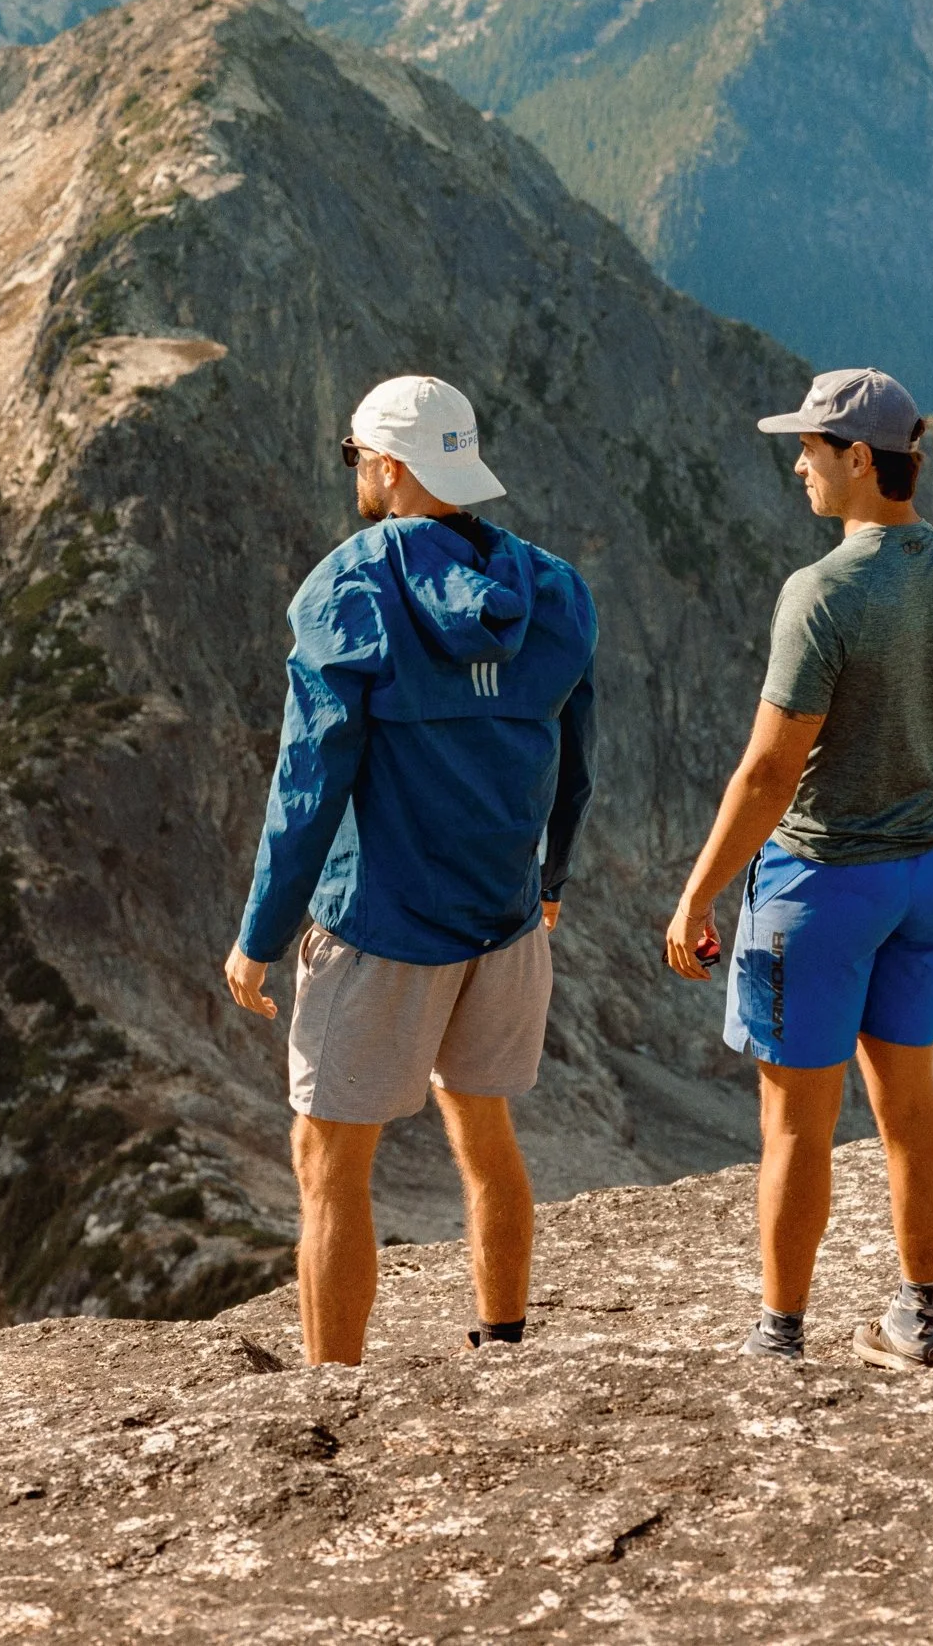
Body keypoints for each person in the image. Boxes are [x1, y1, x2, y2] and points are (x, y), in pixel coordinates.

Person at [224, 373, 598, 1367]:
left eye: (357, 458)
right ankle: (504, 1343)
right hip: (508, 922)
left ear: (389, 466)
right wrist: (550, 882)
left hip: (382, 924)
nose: (356, 475)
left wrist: (262, 935)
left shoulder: (351, 592)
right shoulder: (554, 592)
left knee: (329, 1158)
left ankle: (331, 1395)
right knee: (484, 1126)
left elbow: (309, 786)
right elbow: (577, 759)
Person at [664, 366, 933, 1371]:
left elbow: (772, 769)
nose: (799, 463)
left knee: (795, 1122)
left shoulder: (821, 593)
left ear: (859, 460)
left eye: (812, 447)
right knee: (912, 1099)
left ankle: (778, 1336)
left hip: (818, 886)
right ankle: (917, 1317)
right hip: (927, 879)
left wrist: (698, 892)